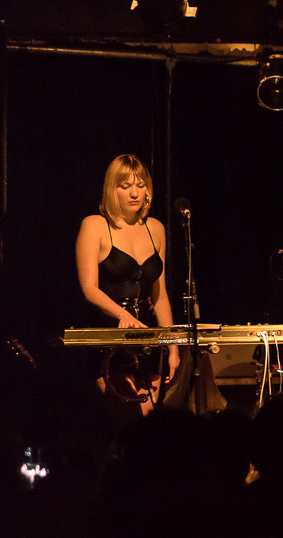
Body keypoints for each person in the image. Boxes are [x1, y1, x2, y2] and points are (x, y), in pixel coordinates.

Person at [75, 154, 179, 416]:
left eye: (140, 185)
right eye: (125, 186)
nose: (135, 193)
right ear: (112, 189)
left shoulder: (155, 228)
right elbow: (89, 289)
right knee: (131, 419)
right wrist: (122, 314)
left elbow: (160, 296)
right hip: (110, 339)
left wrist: (172, 346)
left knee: (152, 422)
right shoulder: (95, 226)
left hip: (148, 340)